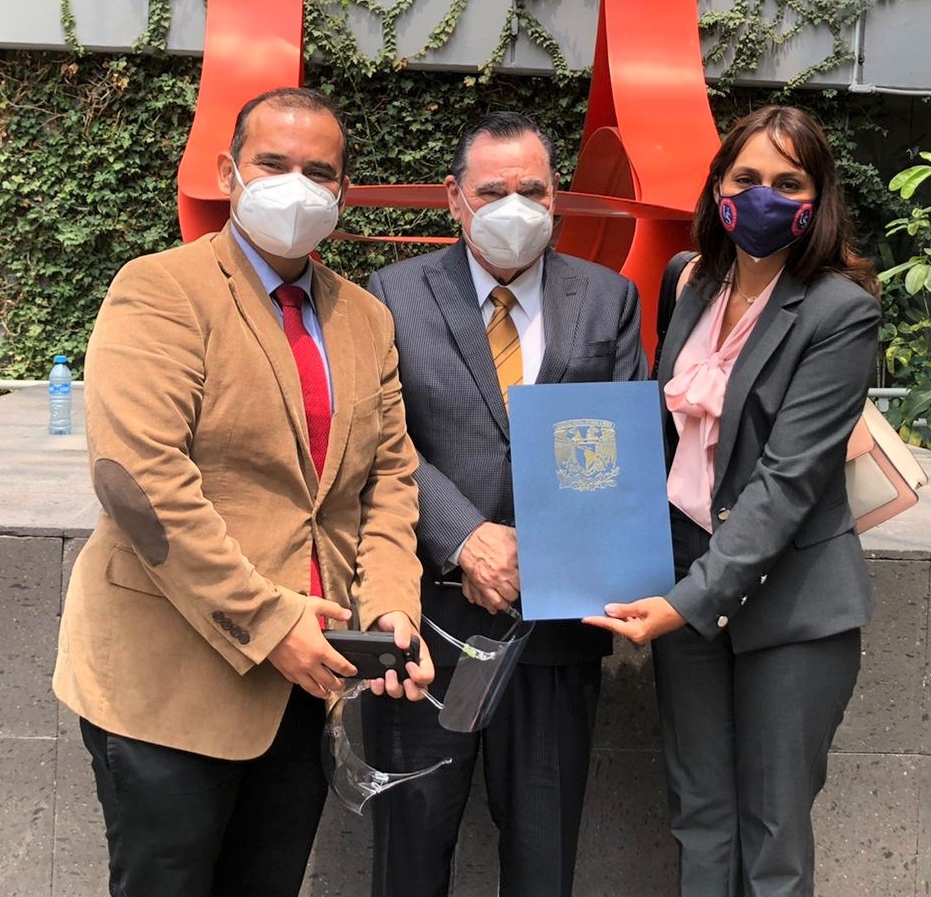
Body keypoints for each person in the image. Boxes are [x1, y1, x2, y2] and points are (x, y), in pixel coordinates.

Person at [52, 87, 433, 897]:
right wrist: (268, 623)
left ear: (342, 191)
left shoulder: (365, 319)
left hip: (306, 684)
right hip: (170, 680)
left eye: (318, 172)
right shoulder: (160, 289)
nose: (296, 186)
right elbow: (140, 484)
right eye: (273, 163)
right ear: (229, 173)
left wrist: (390, 605)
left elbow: (388, 480)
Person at [584, 105, 881, 896]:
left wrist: (685, 601)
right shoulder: (688, 281)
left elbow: (788, 482)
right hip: (683, 575)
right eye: (745, 178)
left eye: (787, 183)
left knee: (773, 834)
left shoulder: (839, 311)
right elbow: (660, 436)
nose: (762, 198)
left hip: (789, 603)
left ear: (817, 198)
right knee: (699, 813)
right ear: (717, 187)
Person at [364, 111, 647, 897]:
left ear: (555, 197)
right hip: (426, 627)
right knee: (408, 855)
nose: (514, 206)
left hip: (554, 629)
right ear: (453, 197)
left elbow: (624, 449)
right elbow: (383, 440)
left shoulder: (608, 299)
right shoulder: (391, 294)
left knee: (542, 860)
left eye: (532, 189)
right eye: (492, 191)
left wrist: (543, 554)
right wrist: (464, 537)